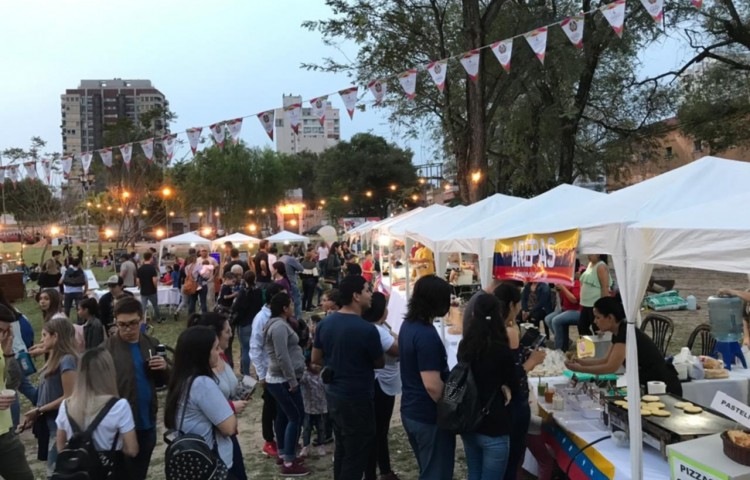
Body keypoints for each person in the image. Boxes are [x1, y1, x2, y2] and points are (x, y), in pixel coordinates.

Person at [312, 275, 384, 480]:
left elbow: (316, 359)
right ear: (356, 296)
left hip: (334, 395)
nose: (370, 295)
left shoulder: (325, 324)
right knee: (356, 452)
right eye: (367, 290)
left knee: (343, 447)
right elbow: (379, 362)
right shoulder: (367, 329)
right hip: (357, 397)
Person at [105, 297, 170, 479]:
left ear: (142, 319)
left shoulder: (152, 343)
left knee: (139, 472)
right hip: (117, 426)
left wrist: (164, 367)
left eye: (133, 323)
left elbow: (169, 379)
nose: (128, 329)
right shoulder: (106, 350)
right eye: (122, 324)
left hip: (146, 421)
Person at [565, 296, 682, 395]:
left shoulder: (625, 332)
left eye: (598, 317)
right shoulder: (618, 332)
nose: (595, 321)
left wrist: (581, 369)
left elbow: (611, 367)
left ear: (610, 318)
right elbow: (605, 360)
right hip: (648, 382)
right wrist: (581, 362)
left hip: (663, 385)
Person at [398, 275, 454, 480]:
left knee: (429, 469)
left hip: (411, 410)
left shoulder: (408, 325)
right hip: (428, 416)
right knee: (436, 473)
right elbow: (432, 385)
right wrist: (452, 408)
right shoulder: (426, 335)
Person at [458, 294, 518, 479]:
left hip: (470, 421)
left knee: (474, 474)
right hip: (494, 425)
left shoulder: (465, 346)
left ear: (473, 314)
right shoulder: (501, 349)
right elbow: (515, 384)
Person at [55, 348, 139, 479]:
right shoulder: (119, 406)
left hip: (78, 473)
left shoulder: (66, 406)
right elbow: (132, 450)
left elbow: (60, 446)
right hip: (110, 470)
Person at [164, 327, 237, 473]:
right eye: (216, 348)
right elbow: (229, 428)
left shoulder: (182, 380)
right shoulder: (202, 384)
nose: (220, 352)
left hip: (194, 462)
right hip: (211, 463)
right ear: (202, 354)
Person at [494, 283, 546, 480]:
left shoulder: (485, 328)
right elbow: (514, 375)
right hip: (513, 405)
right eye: (518, 304)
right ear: (511, 305)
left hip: (496, 406)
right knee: (512, 460)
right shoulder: (509, 332)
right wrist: (532, 361)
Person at [188, 313, 248, 480]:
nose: (231, 334)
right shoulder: (202, 382)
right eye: (227, 331)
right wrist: (230, 408)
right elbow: (226, 425)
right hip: (212, 443)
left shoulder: (220, 357)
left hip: (225, 437)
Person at [20, 318, 79, 475]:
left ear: (56, 336)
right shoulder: (54, 359)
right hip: (50, 421)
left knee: (55, 471)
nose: (41, 340)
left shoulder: (67, 360)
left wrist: (39, 410)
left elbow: (69, 396)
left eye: (45, 335)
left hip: (60, 423)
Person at [264, 292, 310, 476]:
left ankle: (283, 452)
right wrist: (292, 380)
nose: (293, 307)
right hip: (283, 380)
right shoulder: (279, 327)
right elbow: (282, 356)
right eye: (290, 305)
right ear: (284, 308)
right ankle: (289, 462)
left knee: (283, 415)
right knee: (295, 416)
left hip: (282, 379)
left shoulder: (280, 324)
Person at [362, 292, 401, 480]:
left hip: (386, 382)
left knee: (381, 430)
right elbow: (398, 348)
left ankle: (384, 469)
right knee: (378, 431)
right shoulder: (376, 330)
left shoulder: (381, 327)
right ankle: (376, 472)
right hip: (380, 384)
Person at [249, 283, 285, 458]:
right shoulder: (261, 318)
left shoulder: (279, 316)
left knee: (281, 406)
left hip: (280, 370)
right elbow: (255, 347)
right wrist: (261, 374)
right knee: (270, 406)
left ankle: (283, 438)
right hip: (269, 370)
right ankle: (269, 440)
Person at [0, 304, 34, 480]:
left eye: (6, 331)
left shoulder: (1, 346)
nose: (2, 335)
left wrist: (7, 354)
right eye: (0, 330)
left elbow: (11, 384)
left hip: (4, 432)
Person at [300, 315, 327, 459]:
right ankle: (306, 446)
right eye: (313, 364)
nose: (316, 366)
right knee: (307, 427)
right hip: (308, 407)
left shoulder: (323, 375)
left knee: (321, 427)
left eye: (318, 364)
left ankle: (321, 445)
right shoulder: (306, 376)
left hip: (321, 407)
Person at [544, 263, 582, 351]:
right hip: (566, 309)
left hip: (576, 311)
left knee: (556, 320)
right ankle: (565, 341)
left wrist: (563, 288)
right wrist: (559, 290)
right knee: (548, 319)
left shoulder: (576, 283)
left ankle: (559, 348)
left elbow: (574, 300)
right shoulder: (565, 282)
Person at [233, 271, 264, 376]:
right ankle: (259, 373)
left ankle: (246, 374)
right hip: (256, 322)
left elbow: (236, 307)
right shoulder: (258, 291)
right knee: (257, 348)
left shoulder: (243, 292)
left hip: (244, 323)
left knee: (245, 349)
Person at [578, 254, 612, 335]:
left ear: (598, 254)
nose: (588, 256)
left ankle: (598, 343)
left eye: (591, 254)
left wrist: (603, 305)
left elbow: (605, 286)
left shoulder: (601, 266)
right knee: (582, 326)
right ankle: (588, 342)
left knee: (596, 327)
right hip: (586, 304)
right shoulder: (590, 264)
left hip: (595, 303)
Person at [136, 251, 163, 324]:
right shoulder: (152, 268)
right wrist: (155, 287)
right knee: (155, 305)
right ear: (150, 258)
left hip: (143, 291)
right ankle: (158, 318)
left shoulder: (140, 269)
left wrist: (140, 286)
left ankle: (140, 320)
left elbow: (137, 280)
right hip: (152, 290)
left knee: (143, 306)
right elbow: (154, 280)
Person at [60, 257, 88, 322]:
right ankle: (80, 323)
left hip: (68, 292)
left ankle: (66, 323)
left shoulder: (67, 271)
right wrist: (85, 291)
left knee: (67, 309)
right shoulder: (82, 272)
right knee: (80, 309)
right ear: (79, 264)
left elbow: (60, 282)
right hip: (78, 292)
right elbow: (86, 283)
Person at [280, 245, 305, 319]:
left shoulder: (280, 259)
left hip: (282, 282)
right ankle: (298, 319)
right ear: (290, 249)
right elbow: (301, 268)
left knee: (285, 302)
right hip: (291, 282)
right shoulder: (290, 259)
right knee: (297, 301)